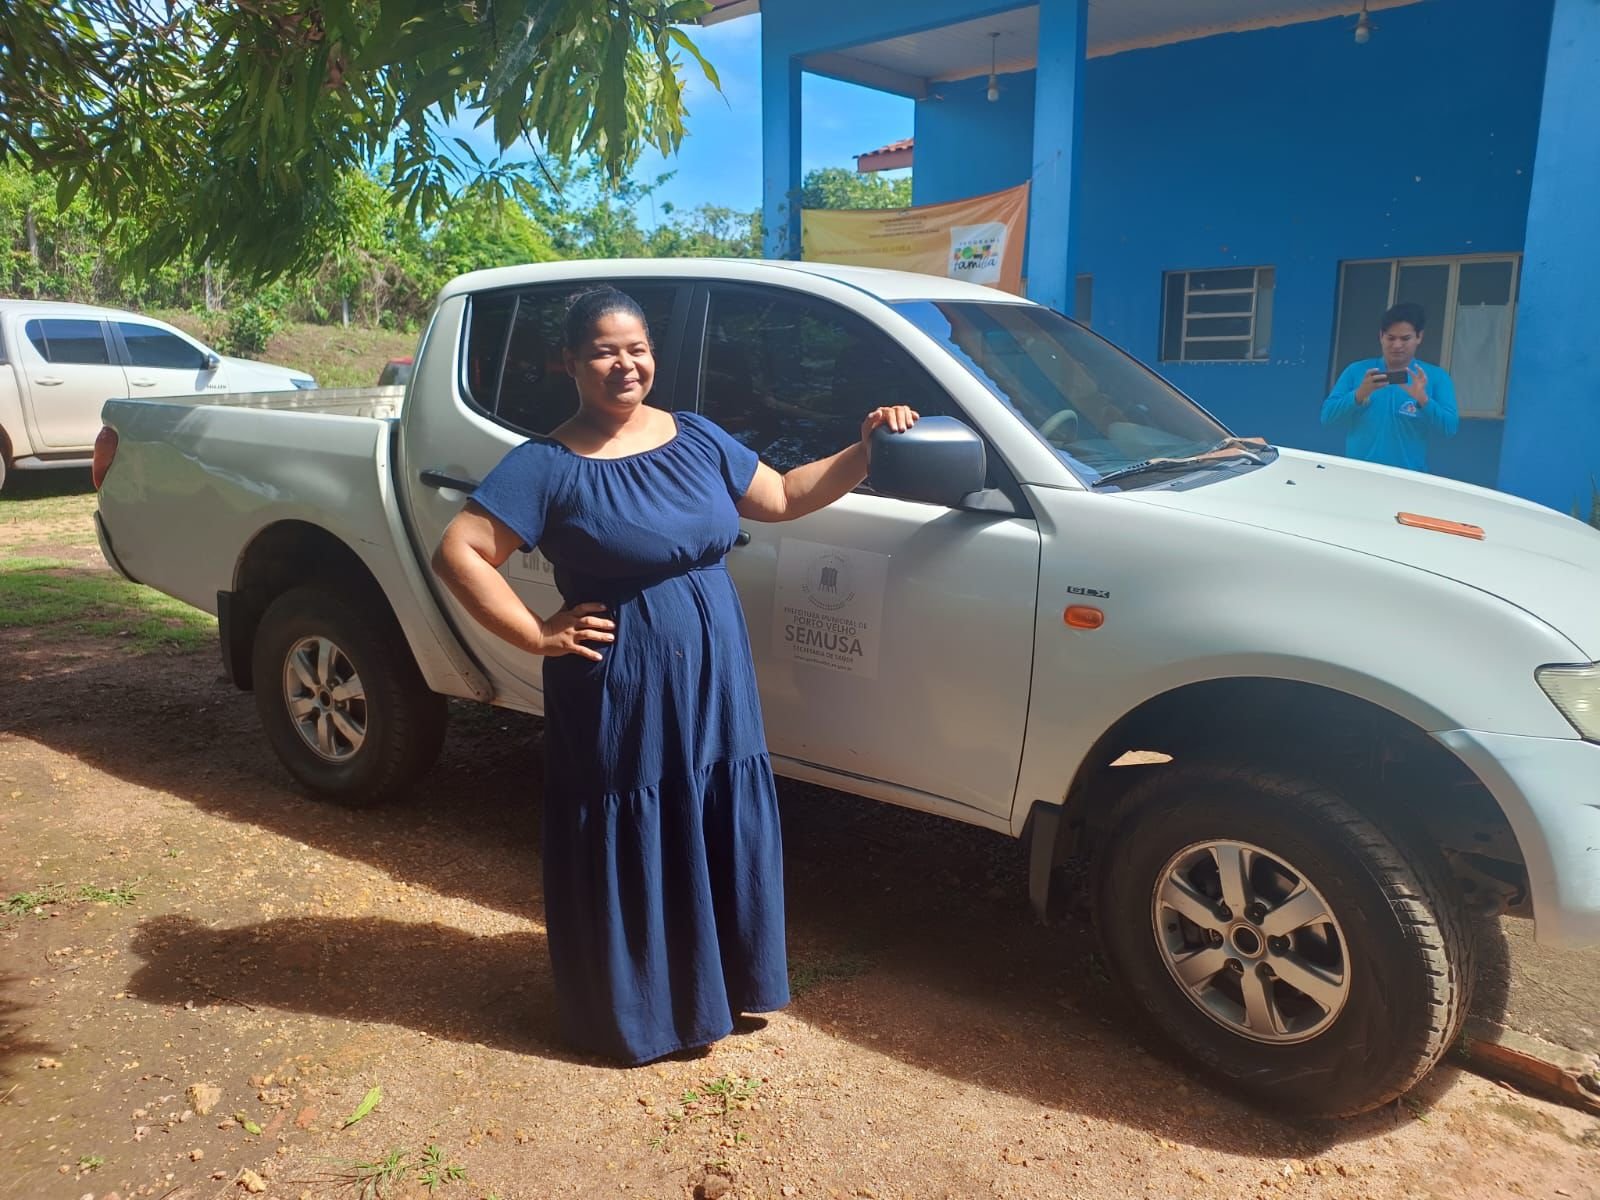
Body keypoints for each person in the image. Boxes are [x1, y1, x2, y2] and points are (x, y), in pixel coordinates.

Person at [430, 286, 918, 1065]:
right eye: (603, 351)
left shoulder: (695, 437)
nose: (624, 365)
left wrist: (866, 449)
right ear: (569, 362)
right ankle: (639, 1012)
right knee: (637, 823)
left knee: (707, 811)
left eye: (636, 349)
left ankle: (715, 987)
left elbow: (786, 495)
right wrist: (535, 633)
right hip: (619, 684)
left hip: (713, 673)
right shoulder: (547, 464)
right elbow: (460, 552)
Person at [1321, 301, 1458, 471]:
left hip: (1409, 480)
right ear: (1381, 336)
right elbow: (1327, 418)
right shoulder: (1357, 371)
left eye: (1405, 338)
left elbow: (1449, 428)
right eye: (1391, 338)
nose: (1397, 345)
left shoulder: (1436, 377)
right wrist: (1359, 394)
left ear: (1419, 337)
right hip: (1359, 475)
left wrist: (1423, 400)